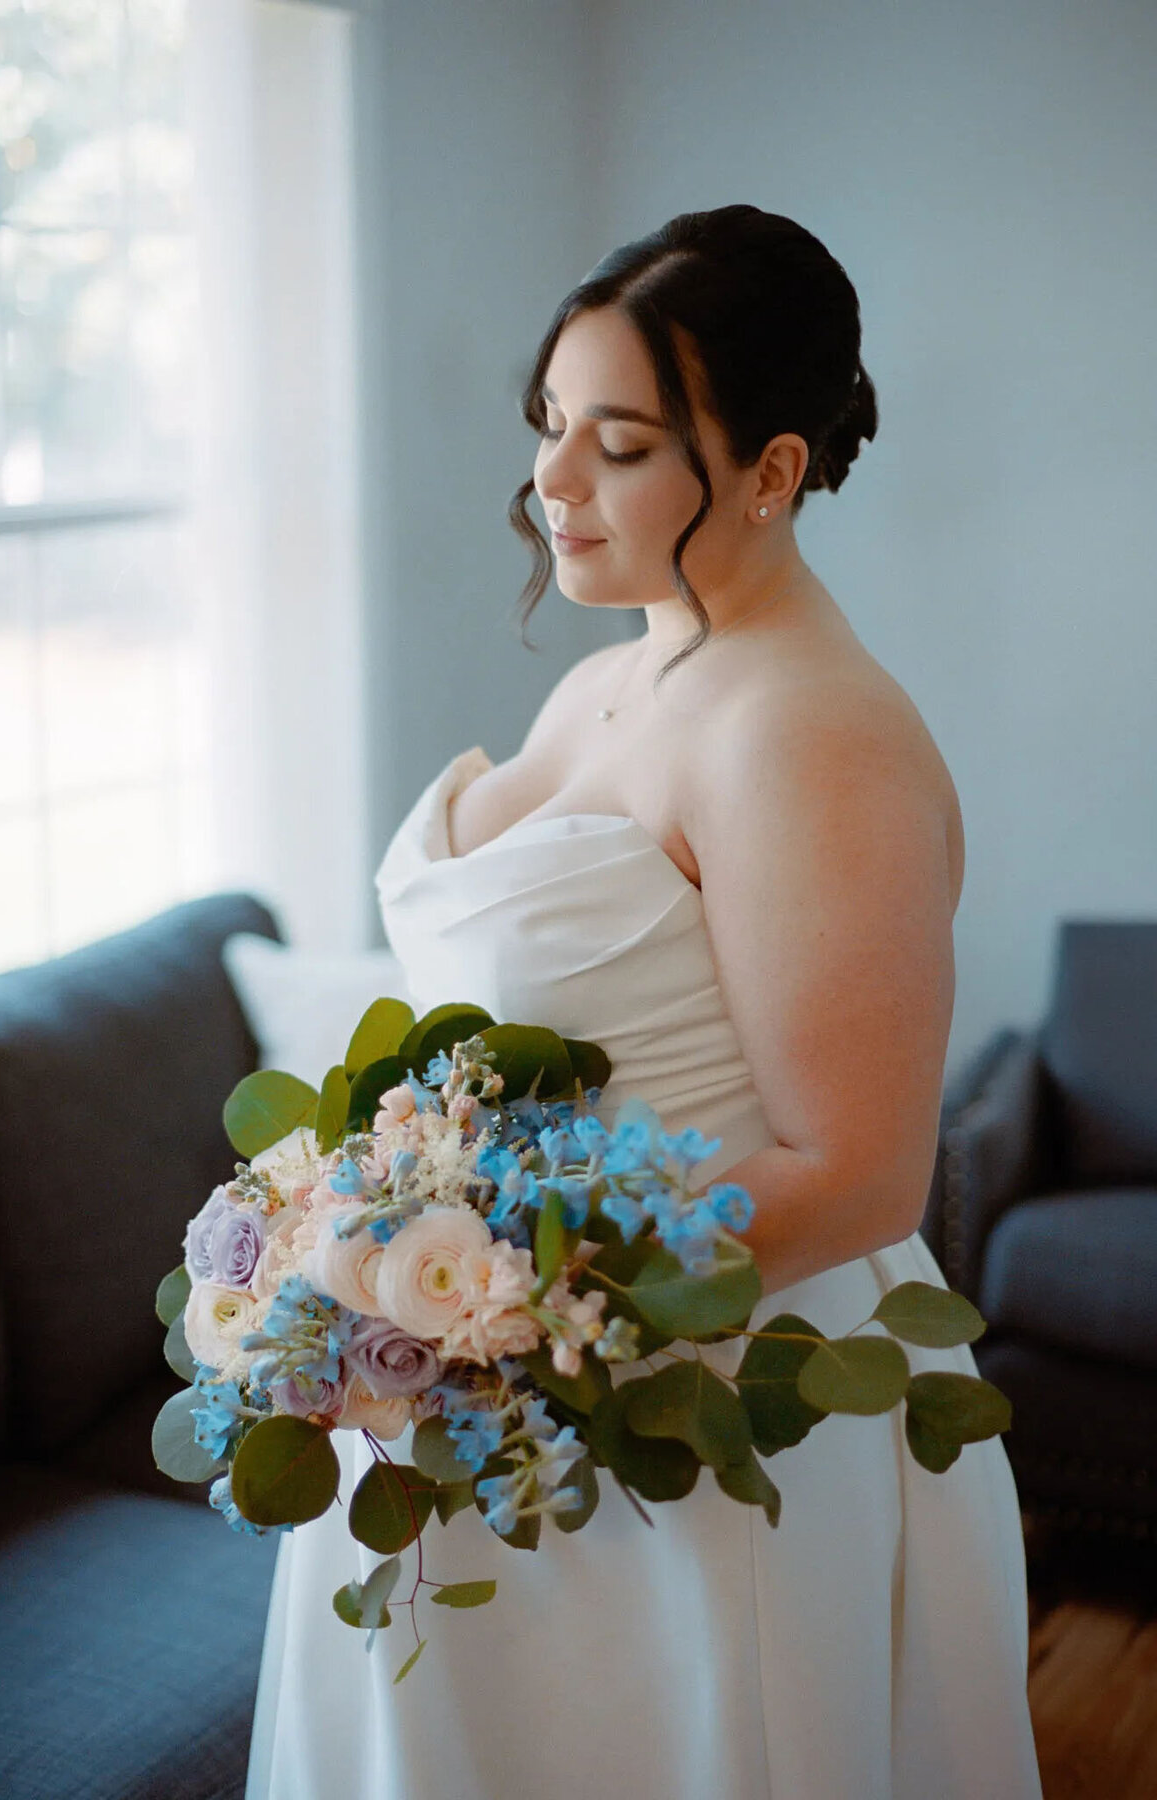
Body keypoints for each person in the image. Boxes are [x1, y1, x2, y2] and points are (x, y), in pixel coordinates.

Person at [245, 203, 1044, 1799]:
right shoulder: (616, 668)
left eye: (618, 446)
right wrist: (364, 1263)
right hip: (487, 1415)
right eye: (550, 423)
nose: (553, 481)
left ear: (771, 469)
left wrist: (488, 1305)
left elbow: (862, 1175)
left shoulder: (809, 734)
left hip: (681, 1423)